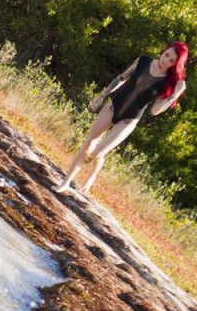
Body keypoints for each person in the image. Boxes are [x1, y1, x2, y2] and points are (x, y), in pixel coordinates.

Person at [53, 42, 188, 196]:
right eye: (167, 55)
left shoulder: (167, 83)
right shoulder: (143, 61)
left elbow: (155, 111)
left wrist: (174, 96)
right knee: (87, 146)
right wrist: (102, 95)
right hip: (113, 107)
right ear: (163, 51)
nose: (166, 60)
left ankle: (92, 176)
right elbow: (121, 78)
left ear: (175, 65)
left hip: (129, 119)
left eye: (172, 61)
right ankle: (65, 183)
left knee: (98, 153)